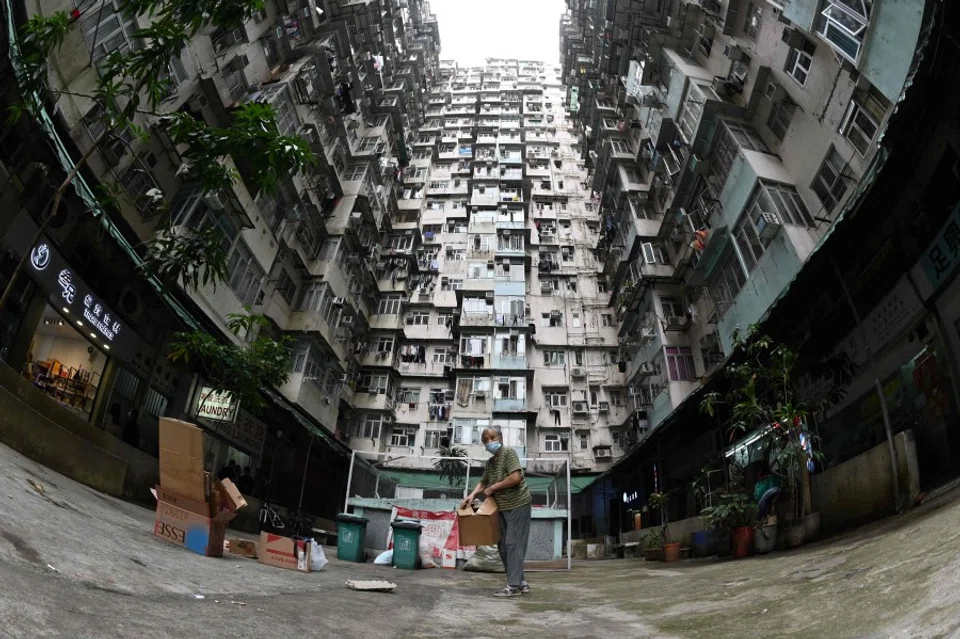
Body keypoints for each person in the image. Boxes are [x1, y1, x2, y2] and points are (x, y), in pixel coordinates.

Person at [462, 427, 532, 597]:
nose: (489, 441)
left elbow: (515, 477)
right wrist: (471, 495)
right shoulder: (491, 462)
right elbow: (483, 482)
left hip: (518, 504)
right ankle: (521, 582)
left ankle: (513, 586)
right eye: (486, 440)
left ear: (500, 438)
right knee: (502, 546)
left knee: (513, 544)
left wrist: (493, 487)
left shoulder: (509, 453)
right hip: (501, 507)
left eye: (492, 437)